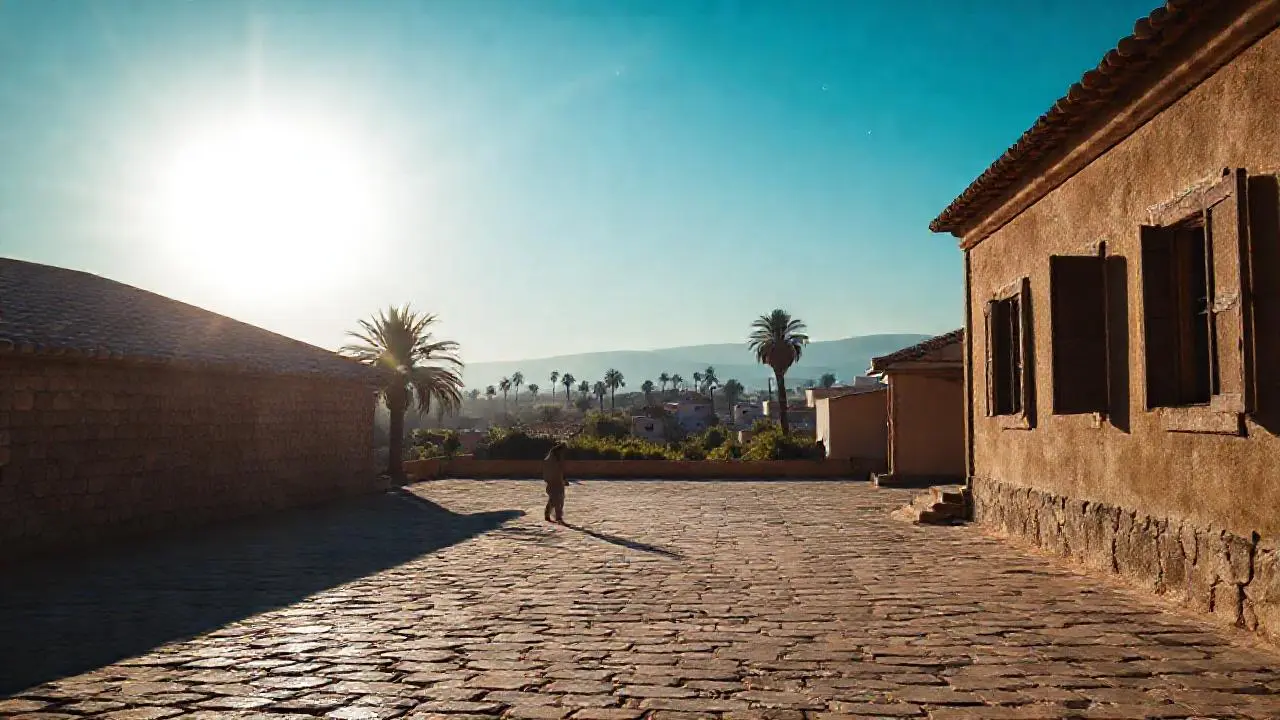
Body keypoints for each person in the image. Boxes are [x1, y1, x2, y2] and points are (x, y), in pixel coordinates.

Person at [543, 443, 568, 524]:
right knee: (555, 500)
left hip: (559, 483)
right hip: (552, 483)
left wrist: (564, 479)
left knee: (557, 499)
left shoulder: (558, 459)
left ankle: (550, 514)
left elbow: (561, 471)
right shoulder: (549, 460)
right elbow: (547, 473)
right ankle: (557, 516)